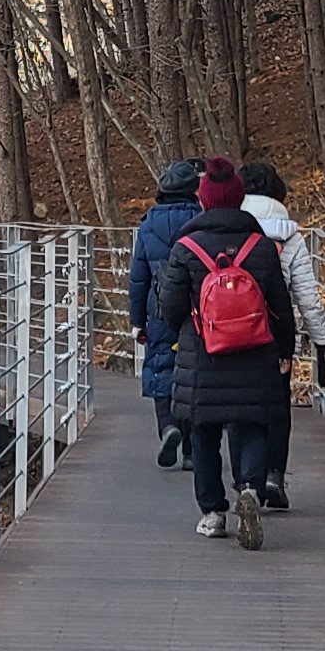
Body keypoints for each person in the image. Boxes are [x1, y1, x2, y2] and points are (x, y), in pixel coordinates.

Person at [151, 159, 298, 548]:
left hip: (203, 357)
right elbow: (280, 305)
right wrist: (286, 349)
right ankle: (249, 488)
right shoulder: (261, 246)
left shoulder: (186, 248)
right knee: (252, 425)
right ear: (238, 200)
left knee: (203, 433)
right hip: (255, 353)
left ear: (203, 201)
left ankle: (213, 513)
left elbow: (169, 310)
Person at [233, 162, 312, 513]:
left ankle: (245, 481)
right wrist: (321, 341)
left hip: (234, 330)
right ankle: (274, 475)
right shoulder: (290, 235)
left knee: (239, 406)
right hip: (276, 331)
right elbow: (306, 295)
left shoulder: (233, 230)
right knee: (278, 405)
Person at [128, 159, 203, 467]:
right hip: (195, 309)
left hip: (157, 308)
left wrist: (137, 320)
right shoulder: (200, 220)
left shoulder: (148, 225)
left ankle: (168, 426)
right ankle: (191, 450)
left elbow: (138, 278)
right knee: (193, 371)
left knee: (161, 366)